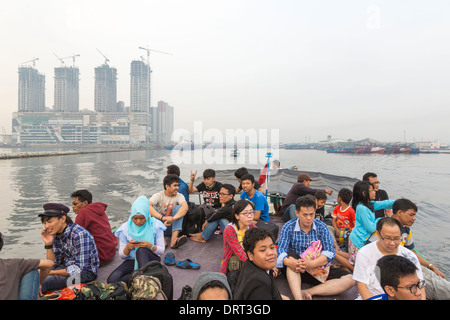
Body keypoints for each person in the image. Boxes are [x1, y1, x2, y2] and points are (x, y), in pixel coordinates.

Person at [277, 195, 354, 300]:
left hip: (316, 268)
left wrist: (311, 264)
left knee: (350, 279)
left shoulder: (321, 226)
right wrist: (289, 262)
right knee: (291, 256)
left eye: (311, 214)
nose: (308, 218)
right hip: (295, 268)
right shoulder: (288, 227)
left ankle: (307, 292)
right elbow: (281, 250)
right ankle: (298, 298)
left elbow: (330, 251)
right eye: (305, 215)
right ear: (297, 213)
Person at [382, 198, 450, 300]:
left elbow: (412, 251)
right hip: (400, 271)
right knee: (439, 287)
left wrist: (431, 266)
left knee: (438, 278)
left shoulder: (405, 229)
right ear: (399, 212)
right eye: (411, 215)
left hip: (410, 264)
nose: (414, 218)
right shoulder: (384, 228)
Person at [352, 217, 425, 300]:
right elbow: (362, 286)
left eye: (397, 239)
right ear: (378, 234)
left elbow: (420, 286)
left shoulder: (409, 256)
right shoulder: (365, 253)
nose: (392, 243)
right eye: (387, 238)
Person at [39, 203, 99, 294]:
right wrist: (49, 244)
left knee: (43, 283)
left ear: (63, 219)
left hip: (86, 273)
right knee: (34, 278)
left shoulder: (79, 234)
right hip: (68, 266)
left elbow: (80, 268)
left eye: (49, 221)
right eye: (45, 223)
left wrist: (50, 273)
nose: (46, 226)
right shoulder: (56, 234)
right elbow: (53, 264)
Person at [107, 196, 166, 283]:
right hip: (132, 261)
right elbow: (122, 256)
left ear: (146, 215)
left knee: (141, 250)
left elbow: (161, 250)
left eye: (141, 218)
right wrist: (128, 247)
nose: (138, 221)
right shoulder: (125, 228)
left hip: (150, 260)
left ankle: (143, 278)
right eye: (135, 218)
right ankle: (144, 278)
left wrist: (150, 246)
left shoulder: (156, 225)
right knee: (112, 279)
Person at [348, 181, 395, 266]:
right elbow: (371, 228)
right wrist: (381, 219)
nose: (375, 192)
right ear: (364, 193)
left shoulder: (370, 204)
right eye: (372, 190)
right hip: (359, 240)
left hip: (363, 238)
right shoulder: (361, 208)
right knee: (356, 265)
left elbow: (385, 203)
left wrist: (400, 203)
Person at [233, 227, 285, 300]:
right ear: (250, 255)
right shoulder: (259, 282)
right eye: (263, 250)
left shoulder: (250, 265)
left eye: (272, 247)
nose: (270, 253)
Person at [0, 231, 53, 300]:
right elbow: (49, 264)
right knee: (31, 269)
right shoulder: (14, 263)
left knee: (30, 267)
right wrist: (38, 284)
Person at [71, 189, 117, 266]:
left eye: (75, 204)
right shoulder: (98, 209)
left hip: (100, 257)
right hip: (110, 252)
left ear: (85, 203)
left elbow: (73, 238)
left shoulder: (83, 212)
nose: (72, 206)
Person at [149, 174, 189, 249]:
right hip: (161, 226)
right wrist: (162, 217)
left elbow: (185, 207)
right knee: (152, 210)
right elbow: (147, 206)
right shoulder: (159, 195)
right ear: (167, 186)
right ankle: (160, 239)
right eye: (175, 185)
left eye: (178, 185)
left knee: (179, 208)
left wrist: (173, 218)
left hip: (172, 227)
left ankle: (174, 241)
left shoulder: (179, 196)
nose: (177, 188)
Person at [220, 199, 257, 274]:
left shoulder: (252, 227)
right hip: (235, 262)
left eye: (251, 212)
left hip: (248, 257)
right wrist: (257, 265)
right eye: (246, 213)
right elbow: (239, 252)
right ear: (237, 216)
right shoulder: (230, 229)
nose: (250, 216)